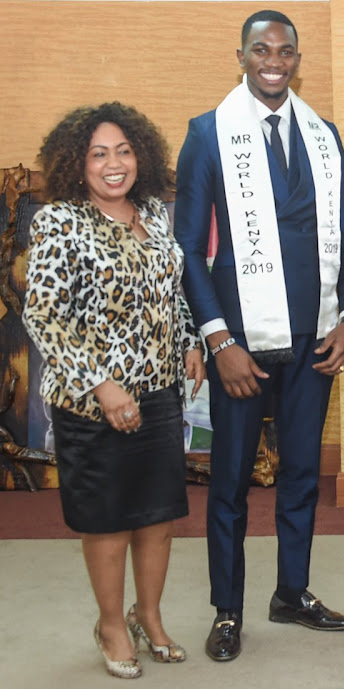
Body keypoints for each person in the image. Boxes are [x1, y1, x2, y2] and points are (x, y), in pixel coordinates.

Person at [174, 10, 344, 662]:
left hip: (313, 342)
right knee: (229, 482)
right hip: (242, 348)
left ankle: (293, 591)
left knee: (303, 474)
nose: (274, 59)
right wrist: (219, 340)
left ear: (296, 57)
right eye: (262, 49)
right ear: (243, 56)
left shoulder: (323, 135)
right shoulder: (207, 135)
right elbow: (188, 251)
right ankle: (227, 609)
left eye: (285, 50)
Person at [23, 102, 206, 678]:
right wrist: (103, 385)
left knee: (156, 515)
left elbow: (169, 292)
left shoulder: (152, 212)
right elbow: (45, 314)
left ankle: (147, 616)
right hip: (90, 402)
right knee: (108, 519)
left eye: (123, 151)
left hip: (158, 394)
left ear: (140, 156)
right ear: (78, 163)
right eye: (98, 153)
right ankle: (109, 625)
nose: (113, 163)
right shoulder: (59, 222)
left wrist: (190, 340)